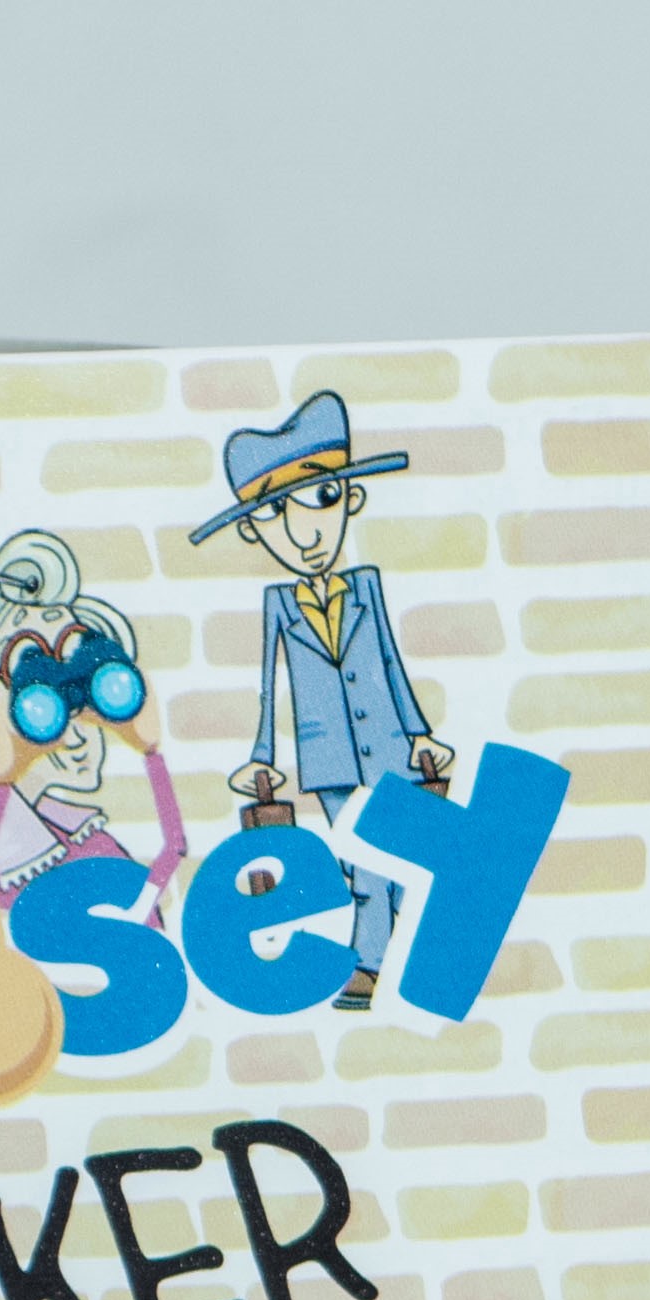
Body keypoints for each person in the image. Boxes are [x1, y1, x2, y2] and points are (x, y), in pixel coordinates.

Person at [198, 389, 450, 1007]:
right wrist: (262, 756)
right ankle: (369, 964)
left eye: (322, 497)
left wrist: (419, 732)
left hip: (389, 744)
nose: (302, 531)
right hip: (329, 756)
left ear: (350, 498)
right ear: (254, 530)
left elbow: (389, 662)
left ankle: (386, 961)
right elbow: (270, 684)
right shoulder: (278, 605)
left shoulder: (366, 586)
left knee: (397, 859)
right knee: (366, 858)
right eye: (273, 512)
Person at [0, 530, 188, 907]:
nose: (77, 738)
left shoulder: (91, 841)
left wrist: (150, 749)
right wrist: (3, 778)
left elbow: (168, 863)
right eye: (42, 700)